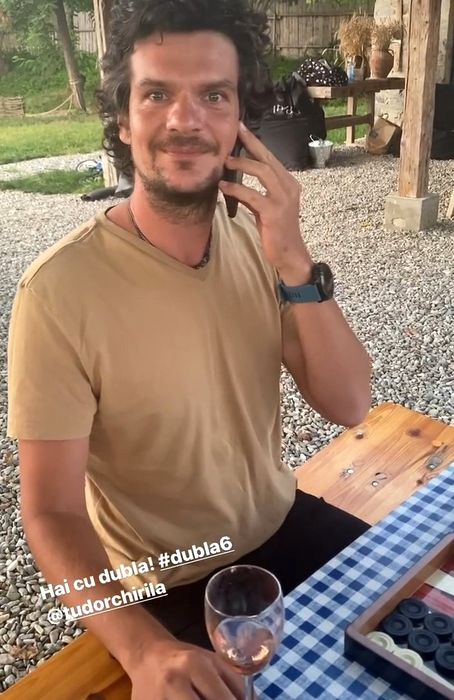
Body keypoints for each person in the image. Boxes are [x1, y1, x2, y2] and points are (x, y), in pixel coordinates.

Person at [7, 1, 372, 698]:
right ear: (122, 120)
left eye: (214, 95)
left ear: (240, 123)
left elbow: (350, 401)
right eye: (156, 94)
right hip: (170, 582)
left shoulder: (258, 244)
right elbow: (51, 512)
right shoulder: (57, 292)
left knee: (418, 631)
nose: (185, 119)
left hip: (285, 521)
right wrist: (143, 652)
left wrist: (296, 263)